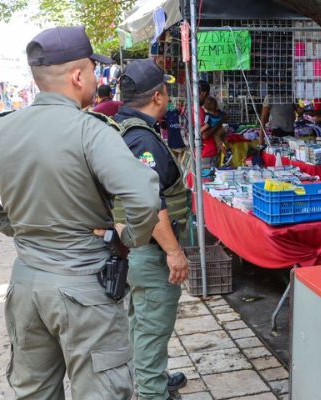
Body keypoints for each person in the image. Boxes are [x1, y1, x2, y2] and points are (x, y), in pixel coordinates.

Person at [0, 25, 161, 399]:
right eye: (93, 70)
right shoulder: (90, 131)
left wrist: (10, 224)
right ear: (78, 76)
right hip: (84, 287)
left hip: (26, 285)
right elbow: (143, 196)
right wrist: (131, 239)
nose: (95, 78)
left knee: (35, 392)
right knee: (101, 392)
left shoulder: (0, 130)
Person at [113, 59, 190, 400]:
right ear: (158, 96)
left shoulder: (119, 127)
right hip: (150, 251)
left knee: (140, 321)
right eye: (168, 90)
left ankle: (151, 378)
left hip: (135, 247)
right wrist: (174, 252)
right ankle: (151, 391)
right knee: (152, 328)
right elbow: (149, 203)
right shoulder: (140, 138)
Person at [197, 81, 223, 168]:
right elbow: (204, 135)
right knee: (207, 179)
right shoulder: (200, 111)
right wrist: (219, 122)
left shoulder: (201, 110)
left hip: (206, 151)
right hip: (207, 151)